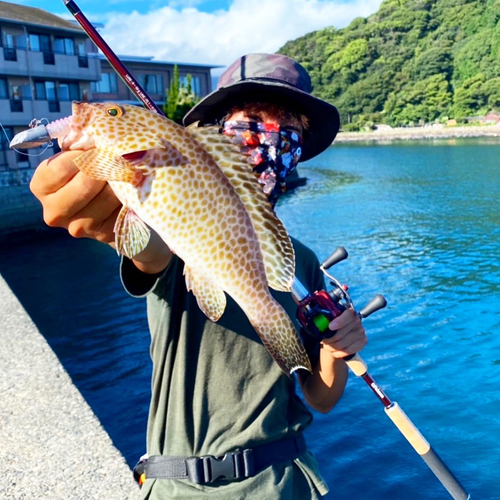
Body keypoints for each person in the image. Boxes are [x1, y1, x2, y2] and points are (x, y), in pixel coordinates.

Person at [30, 53, 367, 499]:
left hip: (282, 482)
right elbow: (149, 250)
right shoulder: (173, 224)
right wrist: (109, 220)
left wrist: (337, 346)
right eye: (251, 118)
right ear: (219, 131)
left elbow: (320, 398)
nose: (267, 134)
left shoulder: (302, 263)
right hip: (178, 486)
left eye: (287, 123)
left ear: (297, 147)